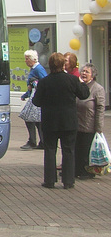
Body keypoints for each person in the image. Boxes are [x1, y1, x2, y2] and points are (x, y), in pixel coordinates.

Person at [32, 52, 89, 189]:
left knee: (50, 150)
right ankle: (68, 181)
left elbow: (36, 101)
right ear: (63, 64)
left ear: (50, 65)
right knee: (68, 150)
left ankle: (50, 180)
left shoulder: (44, 82)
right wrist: (82, 82)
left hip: (50, 121)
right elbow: (84, 95)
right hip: (68, 121)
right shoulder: (72, 80)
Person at [75, 63, 105, 180]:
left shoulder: (98, 89)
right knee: (76, 148)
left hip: (89, 124)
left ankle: (86, 171)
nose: (84, 73)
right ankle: (76, 170)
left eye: (87, 72)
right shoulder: (79, 86)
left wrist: (99, 128)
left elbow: (100, 108)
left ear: (92, 76)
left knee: (86, 149)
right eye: (83, 71)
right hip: (76, 123)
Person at [20, 50, 47, 150]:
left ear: (32, 59)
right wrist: (26, 95)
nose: (25, 61)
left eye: (27, 59)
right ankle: (42, 141)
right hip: (33, 96)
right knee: (37, 121)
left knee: (29, 118)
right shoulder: (33, 69)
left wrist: (35, 84)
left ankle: (32, 141)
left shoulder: (38, 69)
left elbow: (44, 81)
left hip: (37, 98)